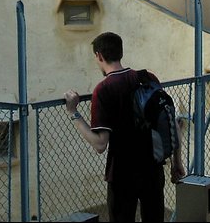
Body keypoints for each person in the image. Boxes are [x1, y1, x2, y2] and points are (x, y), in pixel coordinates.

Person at [64, 32, 185, 222]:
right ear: (120, 52)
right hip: (153, 169)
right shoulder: (148, 78)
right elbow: (169, 118)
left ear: (99, 56)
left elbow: (100, 144)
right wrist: (177, 162)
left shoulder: (104, 90)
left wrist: (73, 113)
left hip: (122, 175)